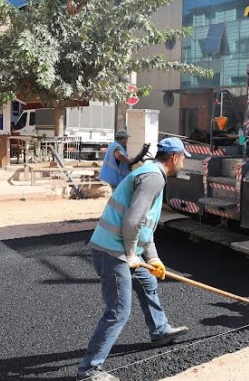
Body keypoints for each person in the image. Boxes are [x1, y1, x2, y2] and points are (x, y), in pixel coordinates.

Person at [77, 137, 192, 381]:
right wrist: (131, 254)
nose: (183, 163)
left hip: (121, 248)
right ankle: (89, 370)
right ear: (174, 158)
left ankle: (160, 330)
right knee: (118, 311)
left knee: (147, 282)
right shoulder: (154, 178)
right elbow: (132, 221)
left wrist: (154, 259)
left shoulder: (150, 173)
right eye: (183, 159)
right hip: (112, 251)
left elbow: (145, 227)